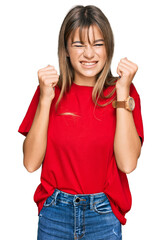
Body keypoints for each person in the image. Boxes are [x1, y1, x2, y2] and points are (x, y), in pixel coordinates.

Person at [18, 5, 144, 240]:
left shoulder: (123, 93)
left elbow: (127, 164)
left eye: (98, 44)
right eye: (78, 45)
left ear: (108, 48)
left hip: (103, 215)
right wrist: (46, 98)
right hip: (55, 213)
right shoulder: (49, 91)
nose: (89, 54)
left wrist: (122, 91)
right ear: (65, 49)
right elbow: (30, 163)